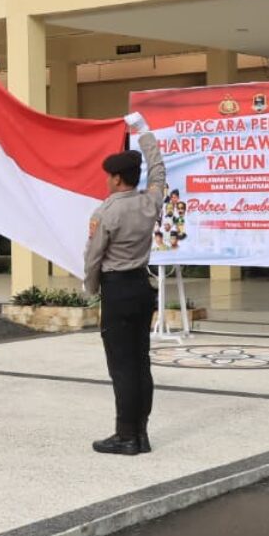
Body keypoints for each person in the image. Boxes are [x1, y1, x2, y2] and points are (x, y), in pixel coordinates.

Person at [84, 118, 166, 456]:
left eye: (109, 176)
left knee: (122, 366)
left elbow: (93, 257)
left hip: (117, 291)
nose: (106, 180)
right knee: (140, 362)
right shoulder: (150, 202)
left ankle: (125, 435)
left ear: (116, 179)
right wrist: (145, 134)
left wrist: (90, 289)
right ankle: (141, 434)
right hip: (142, 288)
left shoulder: (106, 212)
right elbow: (159, 171)